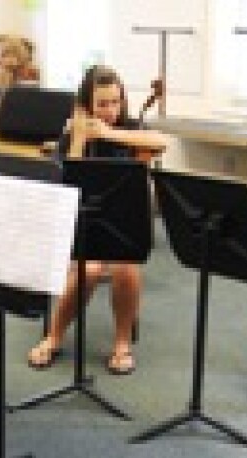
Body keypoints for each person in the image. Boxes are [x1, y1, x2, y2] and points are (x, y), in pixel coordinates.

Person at [26, 65, 167, 375]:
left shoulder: (129, 127)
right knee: (87, 270)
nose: (110, 110)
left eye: (115, 102)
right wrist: (79, 134)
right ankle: (54, 337)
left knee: (126, 269)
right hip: (84, 218)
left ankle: (121, 344)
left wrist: (108, 133)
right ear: (87, 104)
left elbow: (160, 142)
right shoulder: (71, 134)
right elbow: (69, 174)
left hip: (122, 219)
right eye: (102, 103)